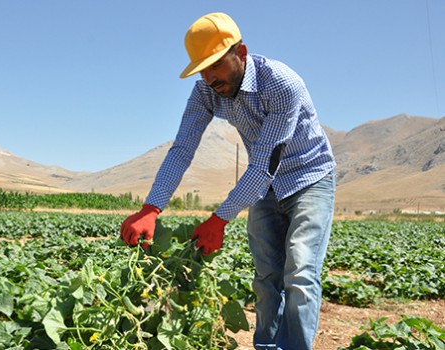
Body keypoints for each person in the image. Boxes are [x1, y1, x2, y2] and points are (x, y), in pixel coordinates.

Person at [119, 12, 336, 350]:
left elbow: (266, 161)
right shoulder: (206, 92)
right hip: (266, 187)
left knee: (301, 271)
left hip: (309, 177)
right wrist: (151, 208)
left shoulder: (281, 83)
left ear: (242, 53)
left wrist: (219, 219)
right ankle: (267, 346)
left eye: (215, 66)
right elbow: (182, 149)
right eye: (202, 69)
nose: (209, 78)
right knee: (266, 277)